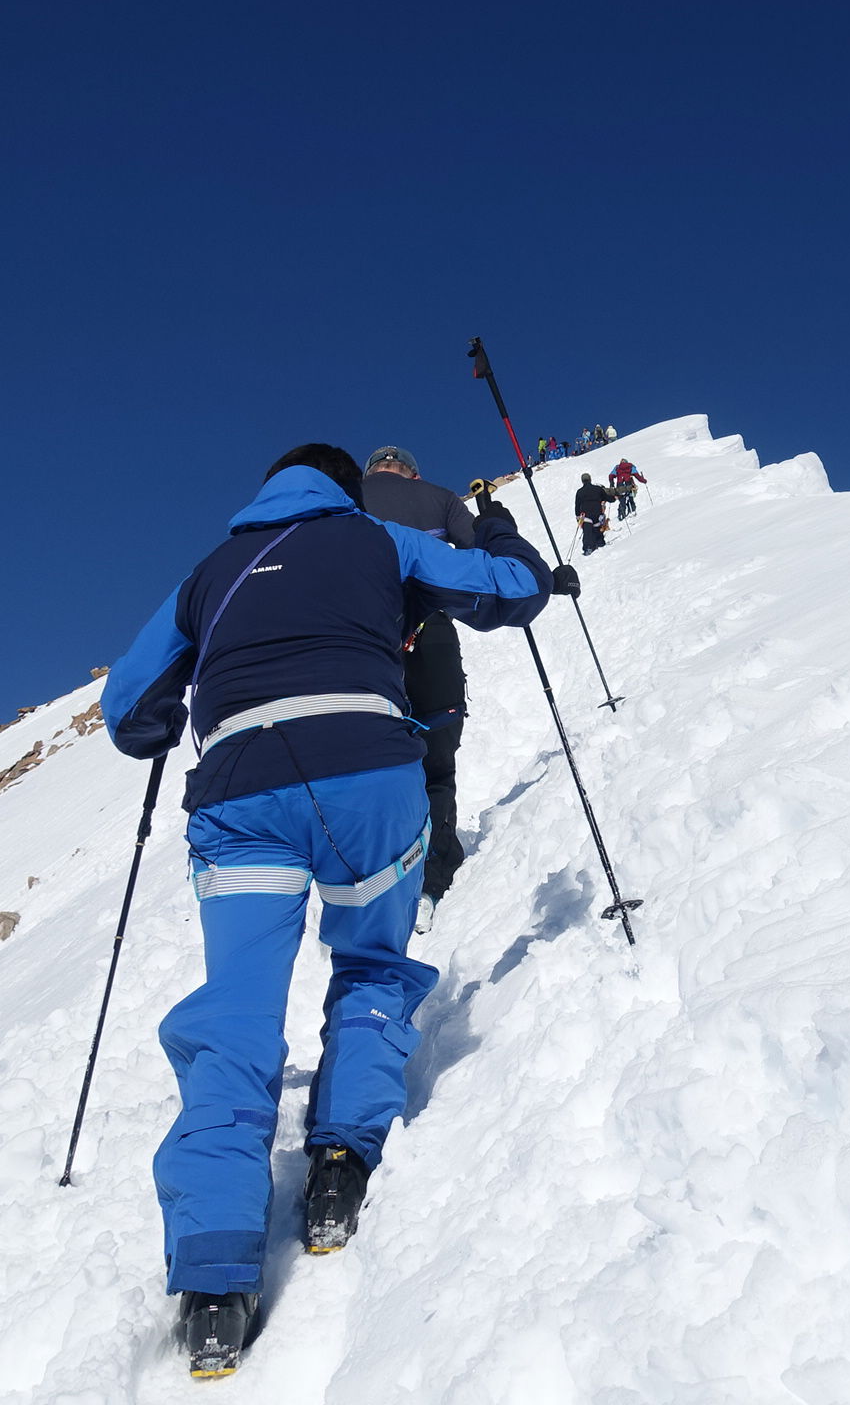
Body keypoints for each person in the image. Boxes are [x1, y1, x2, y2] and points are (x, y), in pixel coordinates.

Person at [101, 443, 578, 1378]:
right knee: (370, 963)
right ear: (343, 486)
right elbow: (505, 588)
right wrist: (508, 534)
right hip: (367, 772)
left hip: (240, 792)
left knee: (235, 1010)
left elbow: (127, 708)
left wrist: (170, 720)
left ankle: (213, 1278)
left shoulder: (212, 572)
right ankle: (338, 1166)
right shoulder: (379, 537)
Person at [357, 446, 476, 931]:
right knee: (436, 761)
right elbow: (476, 555)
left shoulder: (343, 498)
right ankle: (432, 876)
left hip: (359, 647)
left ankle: (374, 882)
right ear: (414, 474)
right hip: (430, 638)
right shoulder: (439, 497)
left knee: (367, 763)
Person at [574, 471, 614, 554]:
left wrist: (578, 517)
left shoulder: (580, 492)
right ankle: (600, 543)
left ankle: (588, 548)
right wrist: (614, 498)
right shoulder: (598, 489)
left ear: (582, 481)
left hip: (586, 515)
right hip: (597, 513)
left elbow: (577, 505)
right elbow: (607, 498)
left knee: (587, 532)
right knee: (597, 529)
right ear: (590, 479)